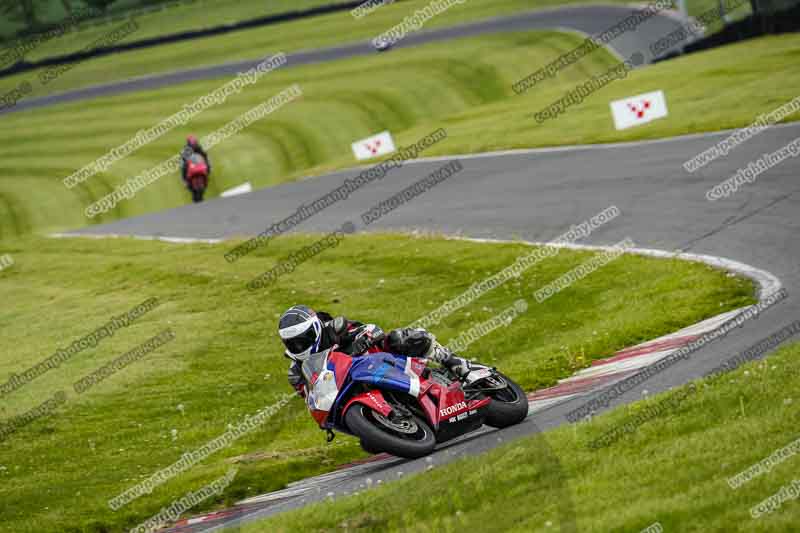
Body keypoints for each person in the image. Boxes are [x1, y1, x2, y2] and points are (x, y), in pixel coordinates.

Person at [278, 305, 473, 398]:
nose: (299, 346)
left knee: (399, 338)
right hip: (352, 387)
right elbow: (311, 397)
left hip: (382, 361)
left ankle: (457, 364)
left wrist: (360, 343)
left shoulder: (335, 328)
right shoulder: (296, 372)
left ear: (315, 329)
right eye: (293, 343)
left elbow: (373, 329)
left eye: (303, 339)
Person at [180, 135, 211, 202]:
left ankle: (206, 178)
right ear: (188, 143)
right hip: (191, 166)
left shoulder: (200, 148)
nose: (193, 144)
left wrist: (207, 165)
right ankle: (184, 180)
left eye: (194, 143)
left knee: (208, 165)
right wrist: (185, 161)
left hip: (199, 165)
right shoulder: (186, 149)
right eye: (192, 143)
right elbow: (183, 159)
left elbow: (205, 156)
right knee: (183, 166)